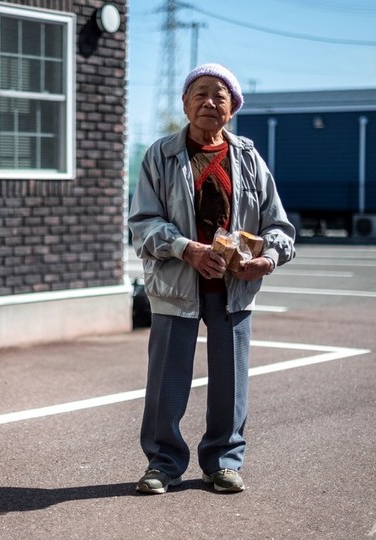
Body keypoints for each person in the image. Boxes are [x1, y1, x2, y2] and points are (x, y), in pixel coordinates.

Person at [128, 63, 296, 494]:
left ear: (232, 108)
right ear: (185, 104)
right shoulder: (160, 155)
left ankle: (222, 461)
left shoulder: (248, 158)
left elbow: (279, 227)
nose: (208, 102)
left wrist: (269, 259)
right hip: (176, 286)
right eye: (199, 93)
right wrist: (188, 249)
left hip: (233, 289)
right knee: (167, 381)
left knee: (231, 382)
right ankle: (163, 464)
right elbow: (142, 223)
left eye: (219, 96)